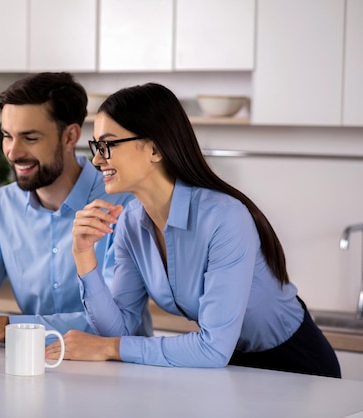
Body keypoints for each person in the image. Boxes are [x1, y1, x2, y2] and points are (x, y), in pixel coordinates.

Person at [46, 83, 341, 378]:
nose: (98, 159)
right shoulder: (131, 225)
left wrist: (109, 348)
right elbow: (122, 327)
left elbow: (212, 348)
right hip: (233, 367)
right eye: (97, 146)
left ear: (154, 148)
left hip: (298, 365)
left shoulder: (224, 218)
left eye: (108, 144)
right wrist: (84, 256)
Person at [0, 72, 151, 343]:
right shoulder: (4, 205)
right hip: (32, 367)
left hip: (118, 374)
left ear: (70, 137)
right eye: (7, 136)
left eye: (30, 138)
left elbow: (117, 324)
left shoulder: (124, 205)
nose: (13, 152)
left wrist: (0, 328)